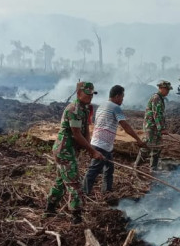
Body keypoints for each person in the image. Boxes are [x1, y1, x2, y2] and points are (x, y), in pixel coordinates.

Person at [45, 81, 105, 224]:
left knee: (61, 181)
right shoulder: (74, 109)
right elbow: (77, 134)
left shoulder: (85, 109)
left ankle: (49, 209)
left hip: (69, 150)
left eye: (92, 94)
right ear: (79, 93)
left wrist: (91, 149)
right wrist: (92, 151)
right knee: (74, 184)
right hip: (64, 151)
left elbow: (85, 131)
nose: (90, 97)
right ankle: (76, 218)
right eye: (87, 94)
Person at [83, 85, 146, 195]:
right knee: (93, 171)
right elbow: (125, 126)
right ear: (117, 96)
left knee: (109, 169)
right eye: (122, 97)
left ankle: (107, 192)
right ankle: (84, 194)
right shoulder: (115, 108)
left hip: (100, 143)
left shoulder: (102, 106)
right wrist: (138, 140)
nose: (122, 100)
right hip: (101, 145)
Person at [135, 80, 172, 170]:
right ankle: (136, 167)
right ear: (160, 88)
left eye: (168, 89)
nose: (167, 91)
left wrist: (161, 128)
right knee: (147, 146)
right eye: (166, 89)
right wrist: (162, 128)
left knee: (157, 147)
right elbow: (157, 114)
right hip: (151, 127)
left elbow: (159, 115)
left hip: (155, 128)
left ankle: (153, 169)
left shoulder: (160, 98)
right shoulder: (156, 98)